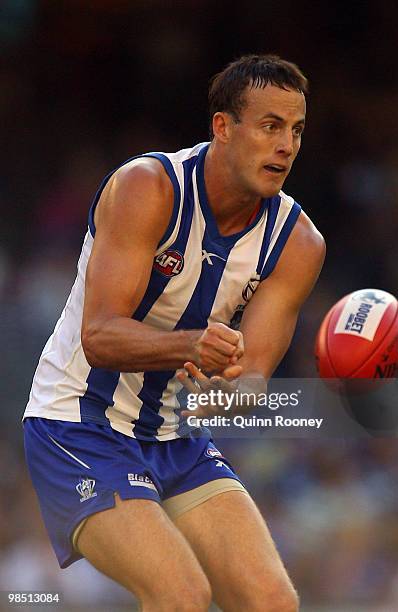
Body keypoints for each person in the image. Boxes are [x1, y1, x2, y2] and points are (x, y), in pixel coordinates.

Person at [24, 54, 325, 611]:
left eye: (297, 130)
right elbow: (100, 336)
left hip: (175, 437)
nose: (287, 145)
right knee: (180, 594)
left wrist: (228, 396)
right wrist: (191, 346)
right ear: (222, 127)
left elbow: (253, 376)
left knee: (272, 602)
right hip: (77, 424)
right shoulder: (149, 187)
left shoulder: (299, 243)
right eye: (270, 126)